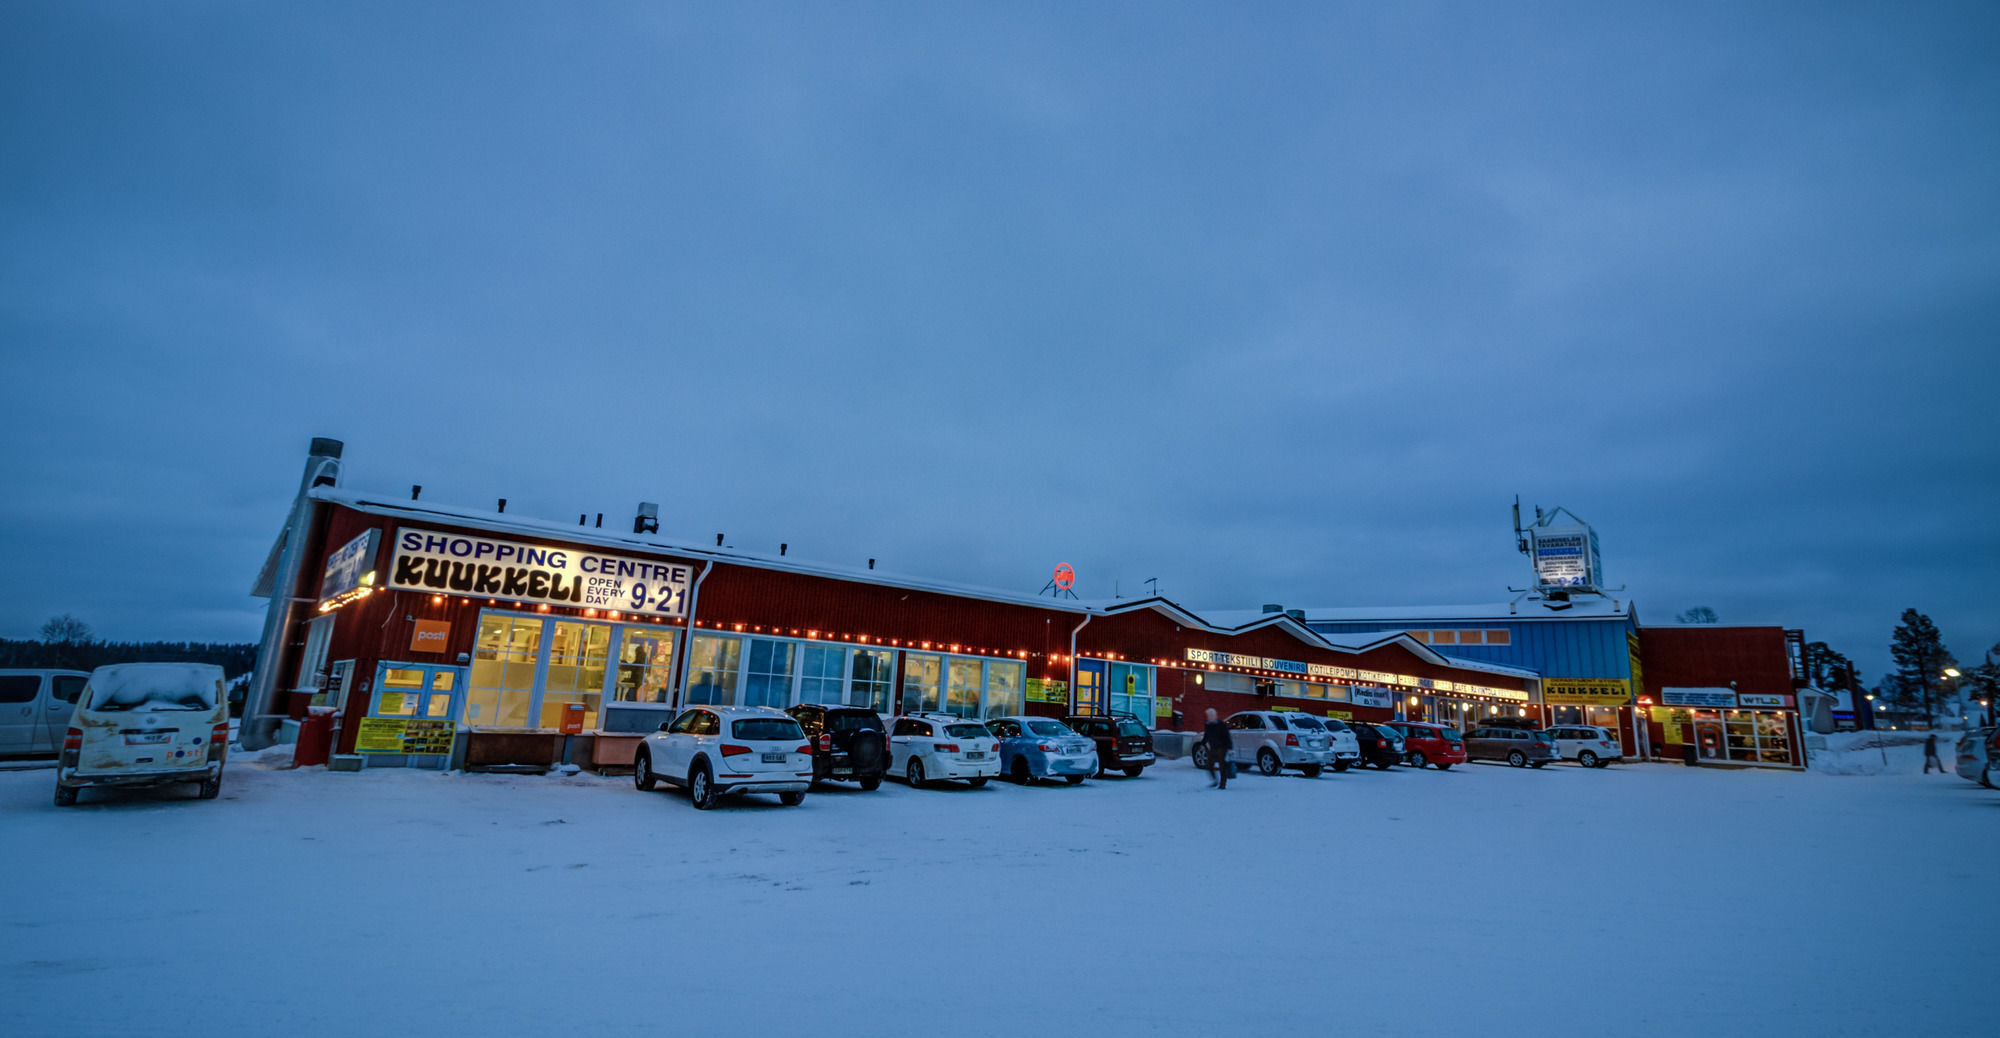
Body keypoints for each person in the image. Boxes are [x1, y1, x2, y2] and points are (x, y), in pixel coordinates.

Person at [1202, 707, 1233, 789]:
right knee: (1209, 764)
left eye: (1210, 715)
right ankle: (1215, 780)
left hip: (1222, 747)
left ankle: (1222, 784)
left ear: (1215, 716)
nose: (1209, 717)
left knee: (1222, 766)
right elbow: (1206, 735)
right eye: (1208, 716)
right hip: (1213, 747)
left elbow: (1227, 736)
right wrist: (1203, 743)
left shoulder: (1221, 724)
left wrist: (1230, 748)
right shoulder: (1208, 724)